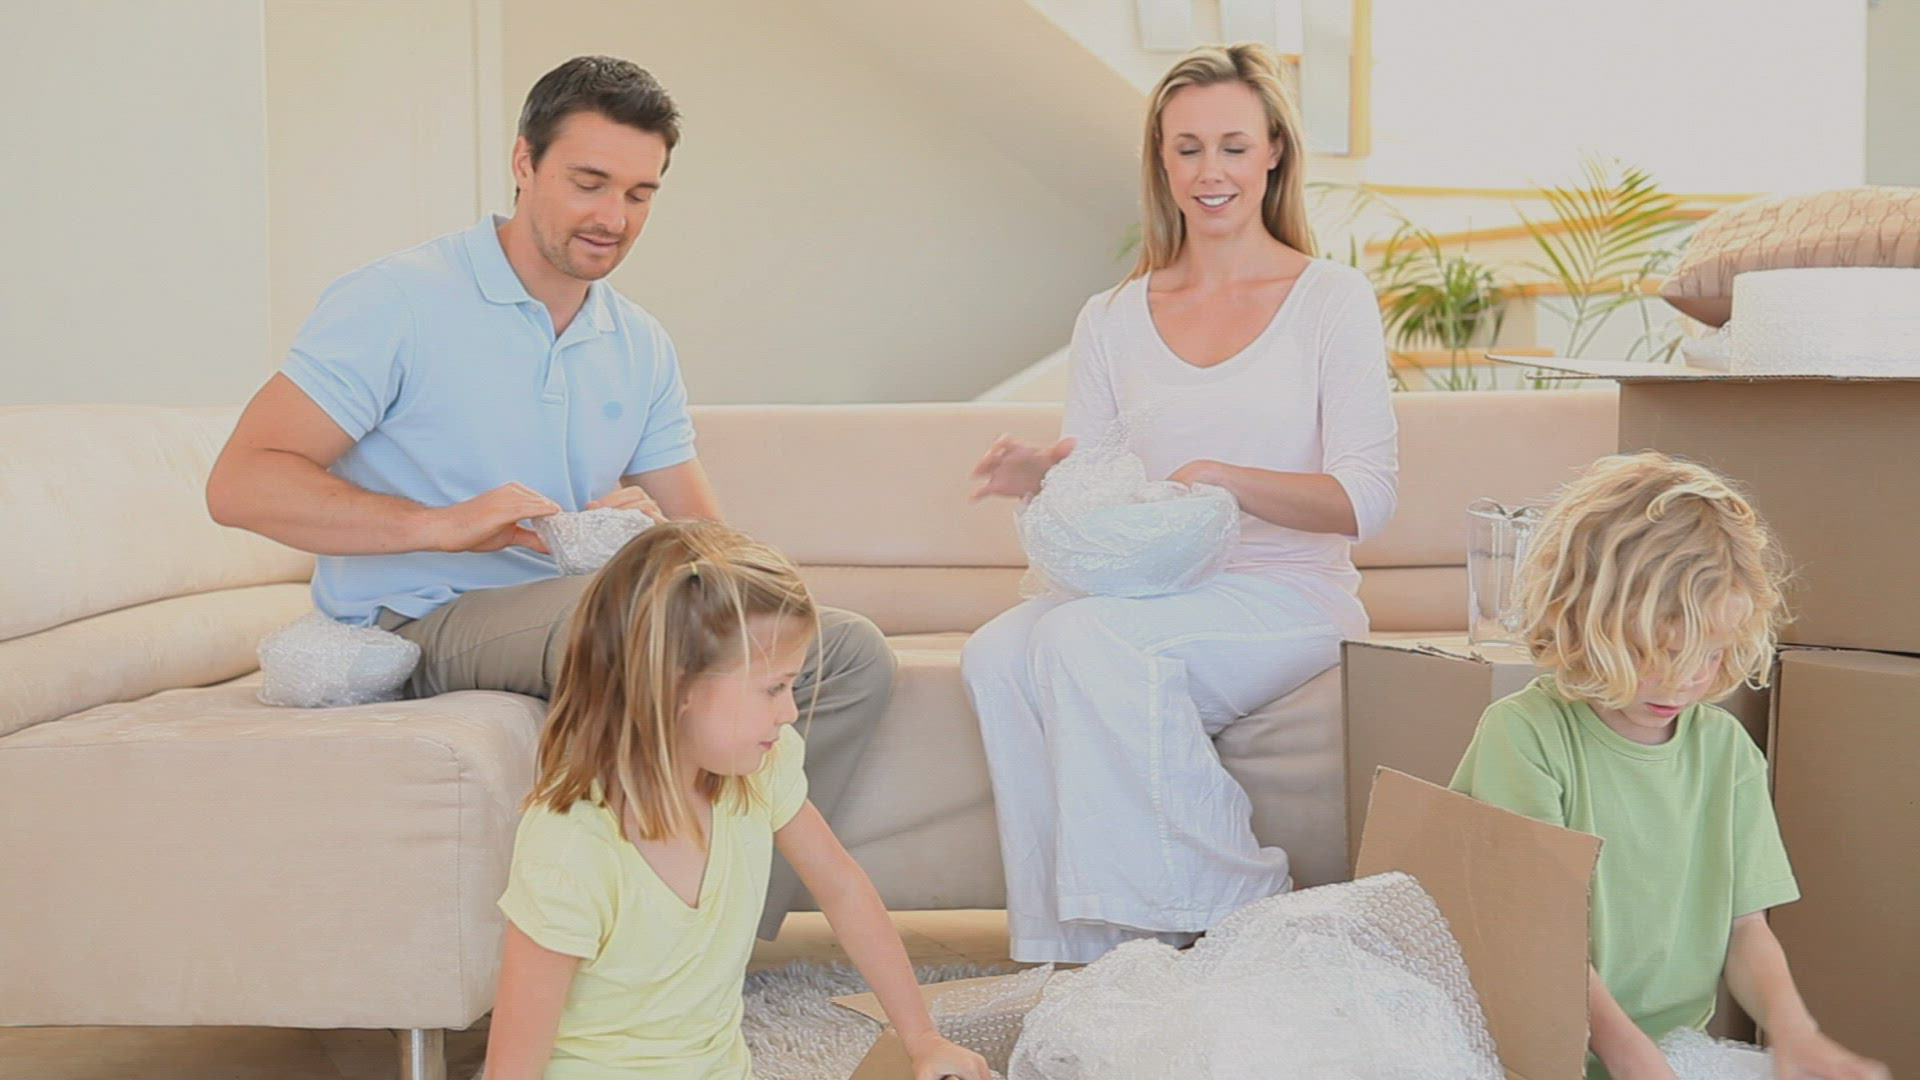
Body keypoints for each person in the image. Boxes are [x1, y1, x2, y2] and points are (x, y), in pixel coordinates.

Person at [204, 56, 891, 935]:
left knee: (846, 650)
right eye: (589, 183)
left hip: (578, 604)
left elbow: (707, 535)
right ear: (524, 163)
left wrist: (666, 542)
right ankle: (636, 935)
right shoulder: (398, 301)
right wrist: (445, 525)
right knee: (646, 618)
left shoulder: (638, 341)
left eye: (640, 193)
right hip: (419, 618)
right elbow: (242, 480)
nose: (614, 218)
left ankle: (718, 939)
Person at [961, 43, 1398, 964]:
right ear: (1161, 161)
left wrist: (1224, 478)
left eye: (1233, 147)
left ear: (1274, 152)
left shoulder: (1330, 300)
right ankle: (1078, 948)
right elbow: (1100, 485)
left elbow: (1366, 499)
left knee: (1087, 639)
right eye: (1187, 148)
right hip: (1155, 587)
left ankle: (1240, 908)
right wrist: (1046, 473)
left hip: (1288, 593)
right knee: (997, 651)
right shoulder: (1112, 316)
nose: (1211, 172)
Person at [480, 520, 988, 1080]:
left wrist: (923, 1039)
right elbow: (511, 1069)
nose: (790, 712)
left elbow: (842, 888)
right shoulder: (571, 846)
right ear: (676, 687)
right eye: (773, 688)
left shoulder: (759, 772)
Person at [1450, 453, 1889, 1080]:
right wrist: (1633, 1060)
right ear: (1585, 618)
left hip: (1670, 1052)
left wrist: (1795, 1033)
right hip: (1530, 1055)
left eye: (1710, 654)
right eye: (1657, 651)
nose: (1684, 681)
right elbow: (1538, 932)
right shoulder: (1525, 736)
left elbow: (1745, 929)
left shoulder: (1725, 750)